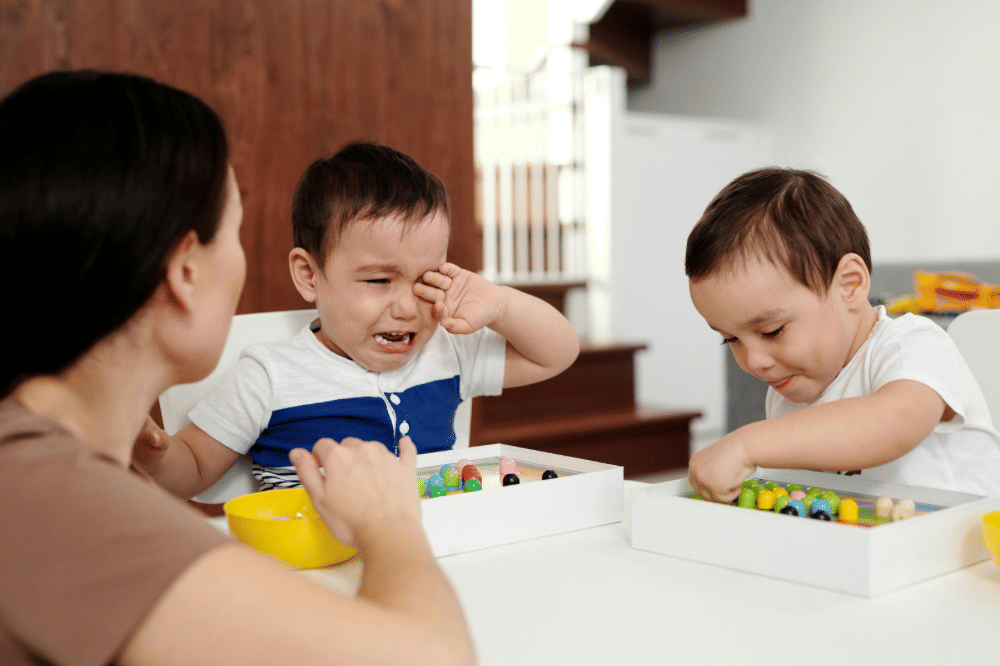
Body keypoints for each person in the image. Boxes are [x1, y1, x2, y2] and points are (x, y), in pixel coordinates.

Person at [0, 70, 476, 666]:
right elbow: (434, 658)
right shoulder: (54, 501)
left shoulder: (36, 462)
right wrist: (390, 527)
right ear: (185, 272)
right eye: (234, 229)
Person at [135, 141, 580, 495]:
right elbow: (191, 469)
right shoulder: (270, 377)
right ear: (309, 276)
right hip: (311, 574)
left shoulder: (448, 354)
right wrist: (154, 453)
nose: (407, 307)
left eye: (426, 279)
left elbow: (556, 354)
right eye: (379, 281)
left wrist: (499, 304)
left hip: (430, 557)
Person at [685, 167, 1000, 502]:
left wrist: (746, 445)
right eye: (730, 339)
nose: (754, 361)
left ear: (849, 285)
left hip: (967, 548)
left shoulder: (913, 345)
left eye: (772, 331)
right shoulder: (788, 391)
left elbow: (893, 422)